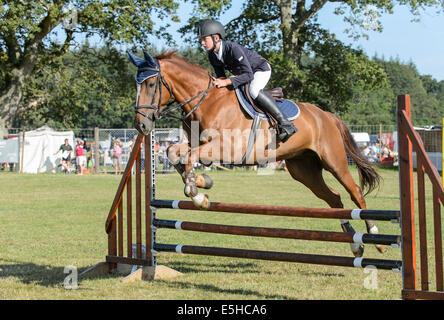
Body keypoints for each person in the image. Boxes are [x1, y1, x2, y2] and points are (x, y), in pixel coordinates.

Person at [197, 19, 297, 142]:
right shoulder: (212, 55)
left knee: (253, 91)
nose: (202, 43)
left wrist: (226, 81)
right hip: (244, 74)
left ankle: (285, 123)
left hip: (260, 70)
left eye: (204, 39)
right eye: (201, 40)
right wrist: (218, 81)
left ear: (216, 37)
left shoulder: (233, 48)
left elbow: (248, 75)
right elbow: (222, 76)